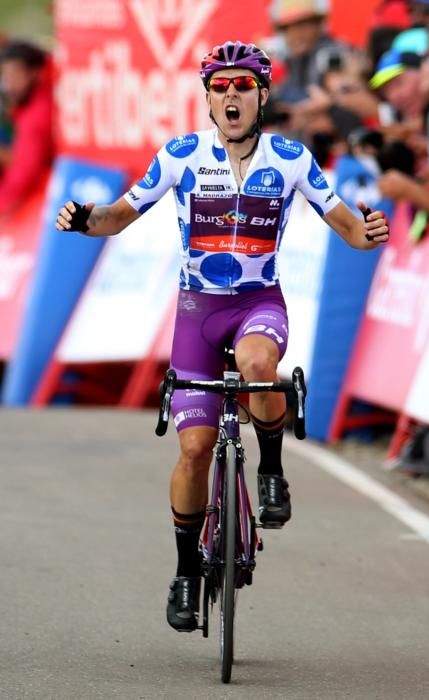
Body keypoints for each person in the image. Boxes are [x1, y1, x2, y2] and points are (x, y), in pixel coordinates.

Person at [54, 41, 389, 633]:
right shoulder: (181, 156)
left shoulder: (290, 158)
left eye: (242, 85)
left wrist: (369, 233)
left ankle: (271, 470)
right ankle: (186, 570)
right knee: (193, 451)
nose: (230, 95)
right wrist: (86, 219)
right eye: (220, 86)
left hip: (259, 301)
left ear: (262, 95)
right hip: (196, 313)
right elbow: (117, 217)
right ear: (208, 97)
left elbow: (347, 229)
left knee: (261, 363)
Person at [0, 40, 54, 217]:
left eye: (16, 75)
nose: (9, 84)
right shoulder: (26, 108)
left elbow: (24, 172)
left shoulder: (37, 115)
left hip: (42, 203)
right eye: (6, 76)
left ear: (35, 73)